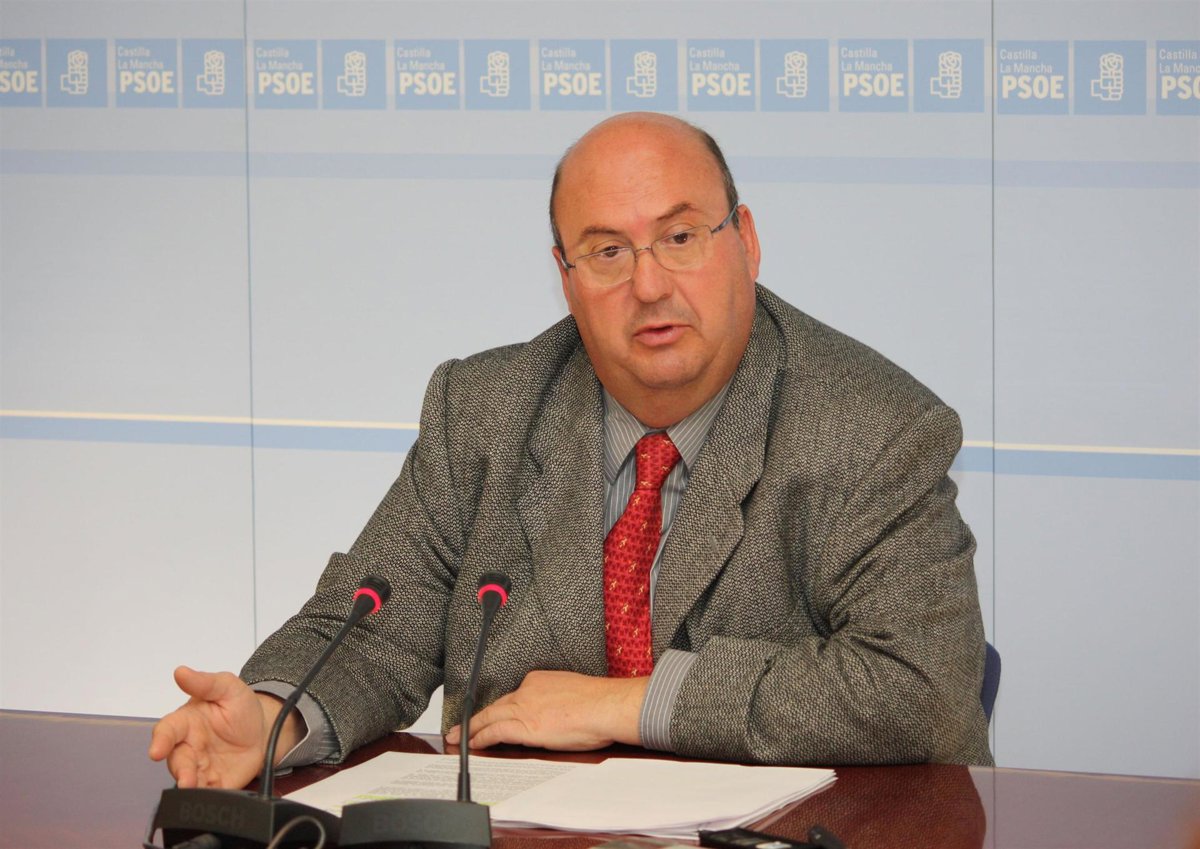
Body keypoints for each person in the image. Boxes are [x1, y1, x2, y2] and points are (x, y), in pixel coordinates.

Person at [149, 112, 993, 790]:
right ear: (565, 276)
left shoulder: (873, 427)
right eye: (607, 252)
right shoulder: (484, 411)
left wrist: (629, 706)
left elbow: (921, 688)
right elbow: (372, 627)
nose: (649, 285)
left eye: (681, 237)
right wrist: (278, 716)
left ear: (745, 239)